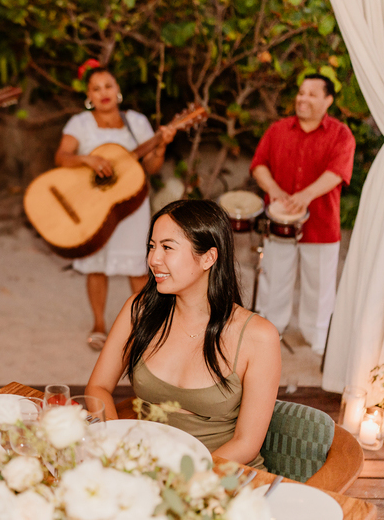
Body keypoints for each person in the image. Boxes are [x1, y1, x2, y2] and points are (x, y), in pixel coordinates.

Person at [86, 200, 281, 468]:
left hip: (217, 475)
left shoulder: (259, 337)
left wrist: (184, 480)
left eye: (167, 247)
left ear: (208, 258)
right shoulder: (139, 310)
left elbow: (246, 443)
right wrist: (116, 447)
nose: (153, 259)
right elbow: (97, 387)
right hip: (145, 469)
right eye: (152, 246)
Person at [53, 63, 175, 350]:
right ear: (88, 95)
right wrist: (88, 160)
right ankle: (99, 323)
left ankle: (144, 326)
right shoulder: (80, 123)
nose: (103, 92)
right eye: (96, 88)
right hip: (95, 205)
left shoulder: (136, 122)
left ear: (117, 89)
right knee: (96, 266)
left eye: (108, 85)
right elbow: (62, 157)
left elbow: (152, 167)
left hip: (132, 204)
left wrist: (161, 146)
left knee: (138, 267)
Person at [250, 74, 355, 355]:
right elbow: (259, 164)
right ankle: (270, 331)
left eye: (311, 94)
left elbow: (337, 172)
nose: (302, 98)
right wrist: (274, 190)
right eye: (300, 93)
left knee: (319, 287)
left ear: (328, 100)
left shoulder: (341, 134)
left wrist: (304, 196)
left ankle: (318, 336)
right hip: (278, 224)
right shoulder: (278, 129)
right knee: (274, 280)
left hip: (321, 224)